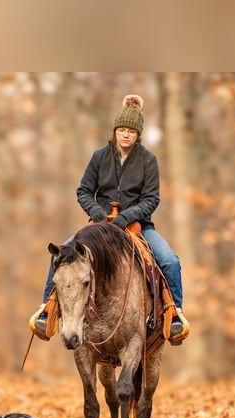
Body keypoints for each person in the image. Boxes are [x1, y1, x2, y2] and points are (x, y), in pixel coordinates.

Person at [31, 94, 189, 341]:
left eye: (131, 131)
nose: (126, 135)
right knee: (61, 256)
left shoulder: (148, 161)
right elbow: (83, 191)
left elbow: (151, 199)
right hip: (99, 227)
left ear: (138, 135)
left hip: (137, 227)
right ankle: (46, 313)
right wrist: (96, 212)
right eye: (122, 129)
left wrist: (128, 216)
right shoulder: (99, 157)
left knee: (169, 260)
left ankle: (174, 314)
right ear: (115, 131)